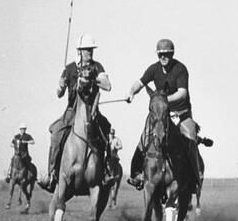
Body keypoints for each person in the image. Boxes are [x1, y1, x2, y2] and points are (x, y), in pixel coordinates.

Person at [126, 38, 212, 191]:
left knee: (191, 139)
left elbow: (182, 93)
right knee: (144, 138)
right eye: (160, 55)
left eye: (166, 54)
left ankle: (195, 177)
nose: (163, 57)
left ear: (172, 54)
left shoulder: (180, 69)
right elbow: (140, 83)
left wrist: (163, 100)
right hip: (161, 115)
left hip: (181, 114)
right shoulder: (154, 69)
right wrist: (132, 92)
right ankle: (137, 174)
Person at [38, 33, 113, 192]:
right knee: (56, 134)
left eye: (91, 50)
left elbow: (107, 85)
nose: (89, 53)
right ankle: (51, 174)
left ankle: (106, 170)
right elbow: (59, 93)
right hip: (72, 111)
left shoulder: (97, 66)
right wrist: (60, 84)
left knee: (106, 130)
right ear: (79, 51)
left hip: (92, 111)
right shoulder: (70, 68)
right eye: (86, 50)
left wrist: (92, 79)